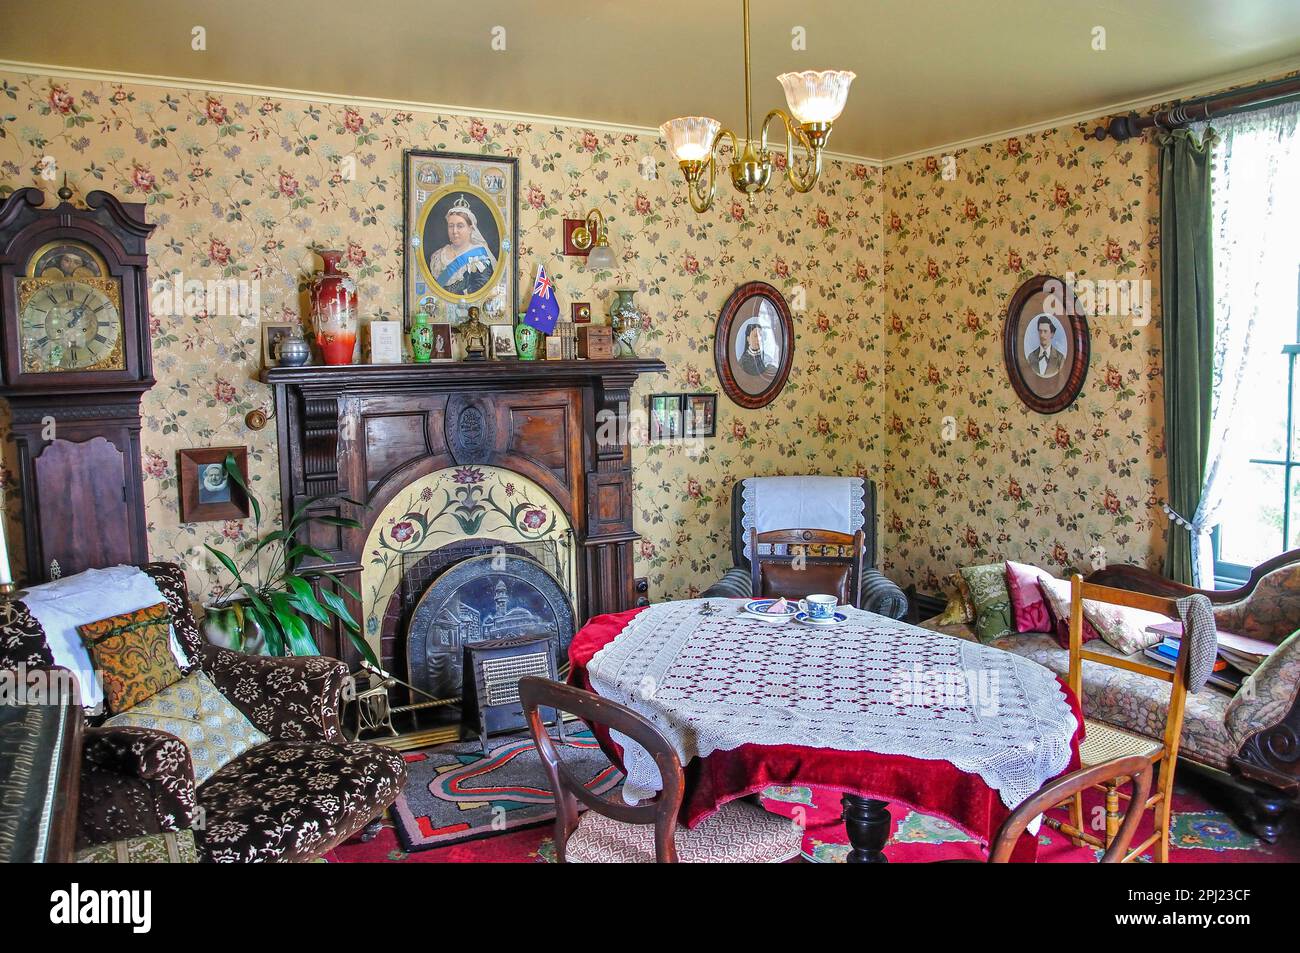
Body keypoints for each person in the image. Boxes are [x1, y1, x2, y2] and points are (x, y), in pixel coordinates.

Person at [428, 196, 497, 296]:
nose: (454, 231)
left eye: (460, 226)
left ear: (470, 229)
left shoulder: (479, 257)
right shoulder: (438, 255)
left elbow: (481, 293)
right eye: (451, 226)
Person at [1029, 314, 1066, 378]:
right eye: (1040, 331)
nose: (1042, 335)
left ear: (1052, 334)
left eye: (1045, 331)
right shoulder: (1030, 357)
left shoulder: (1060, 359)